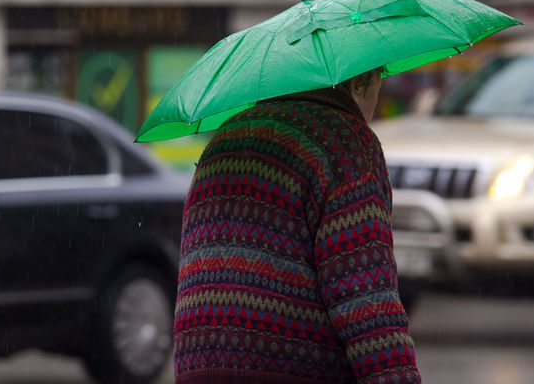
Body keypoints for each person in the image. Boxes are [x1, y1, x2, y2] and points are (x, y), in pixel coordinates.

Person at [173, 68, 421, 383]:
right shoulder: (346, 141)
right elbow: (365, 297)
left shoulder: (224, 138)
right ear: (360, 82)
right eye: (379, 81)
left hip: (197, 362)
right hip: (292, 367)